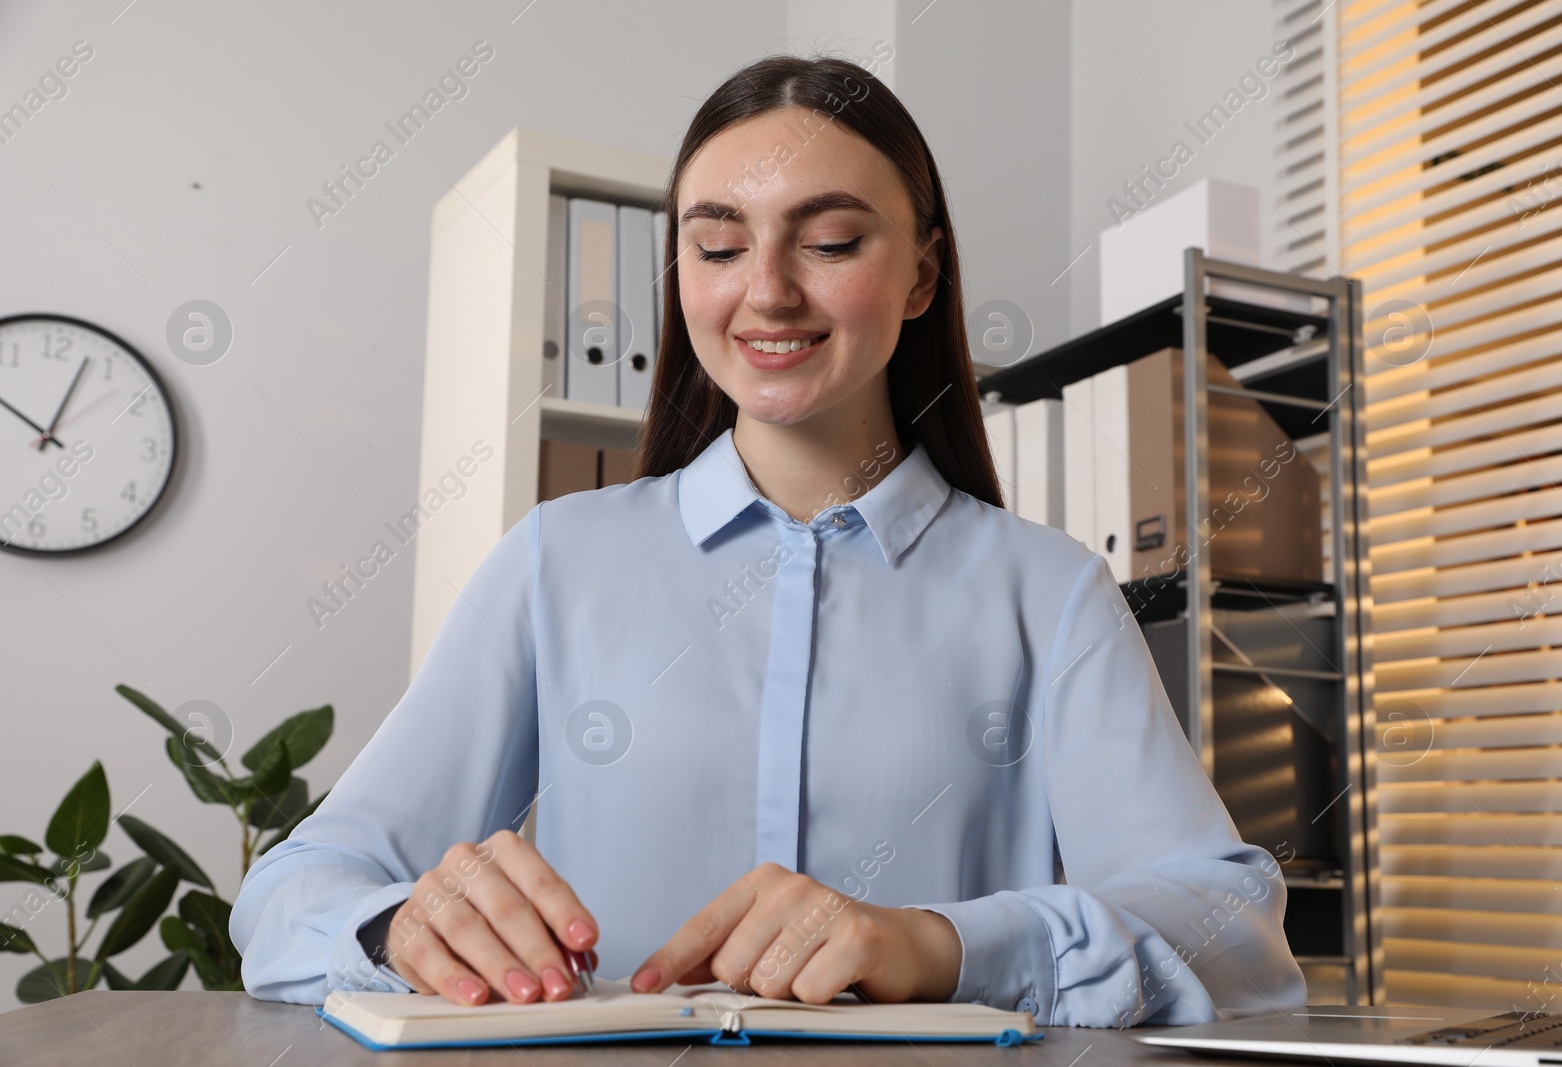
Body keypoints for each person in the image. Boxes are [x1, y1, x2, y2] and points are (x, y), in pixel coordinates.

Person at [230, 53, 1306, 1028]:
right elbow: (294, 891)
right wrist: (396, 928)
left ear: (921, 275)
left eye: (830, 240)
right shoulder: (557, 561)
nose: (768, 290)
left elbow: (1234, 933)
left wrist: (940, 943)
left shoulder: (1047, 590)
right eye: (717, 245)